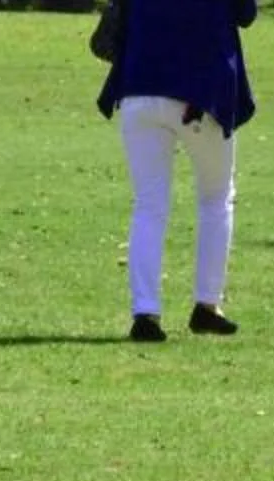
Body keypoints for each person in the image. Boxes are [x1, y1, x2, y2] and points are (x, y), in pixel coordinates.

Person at [98, 0, 254, 340]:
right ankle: (207, 305)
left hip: (138, 85)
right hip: (198, 92)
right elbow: (246, 14)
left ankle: (145, 312)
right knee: (216, 197)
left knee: (149, 204)